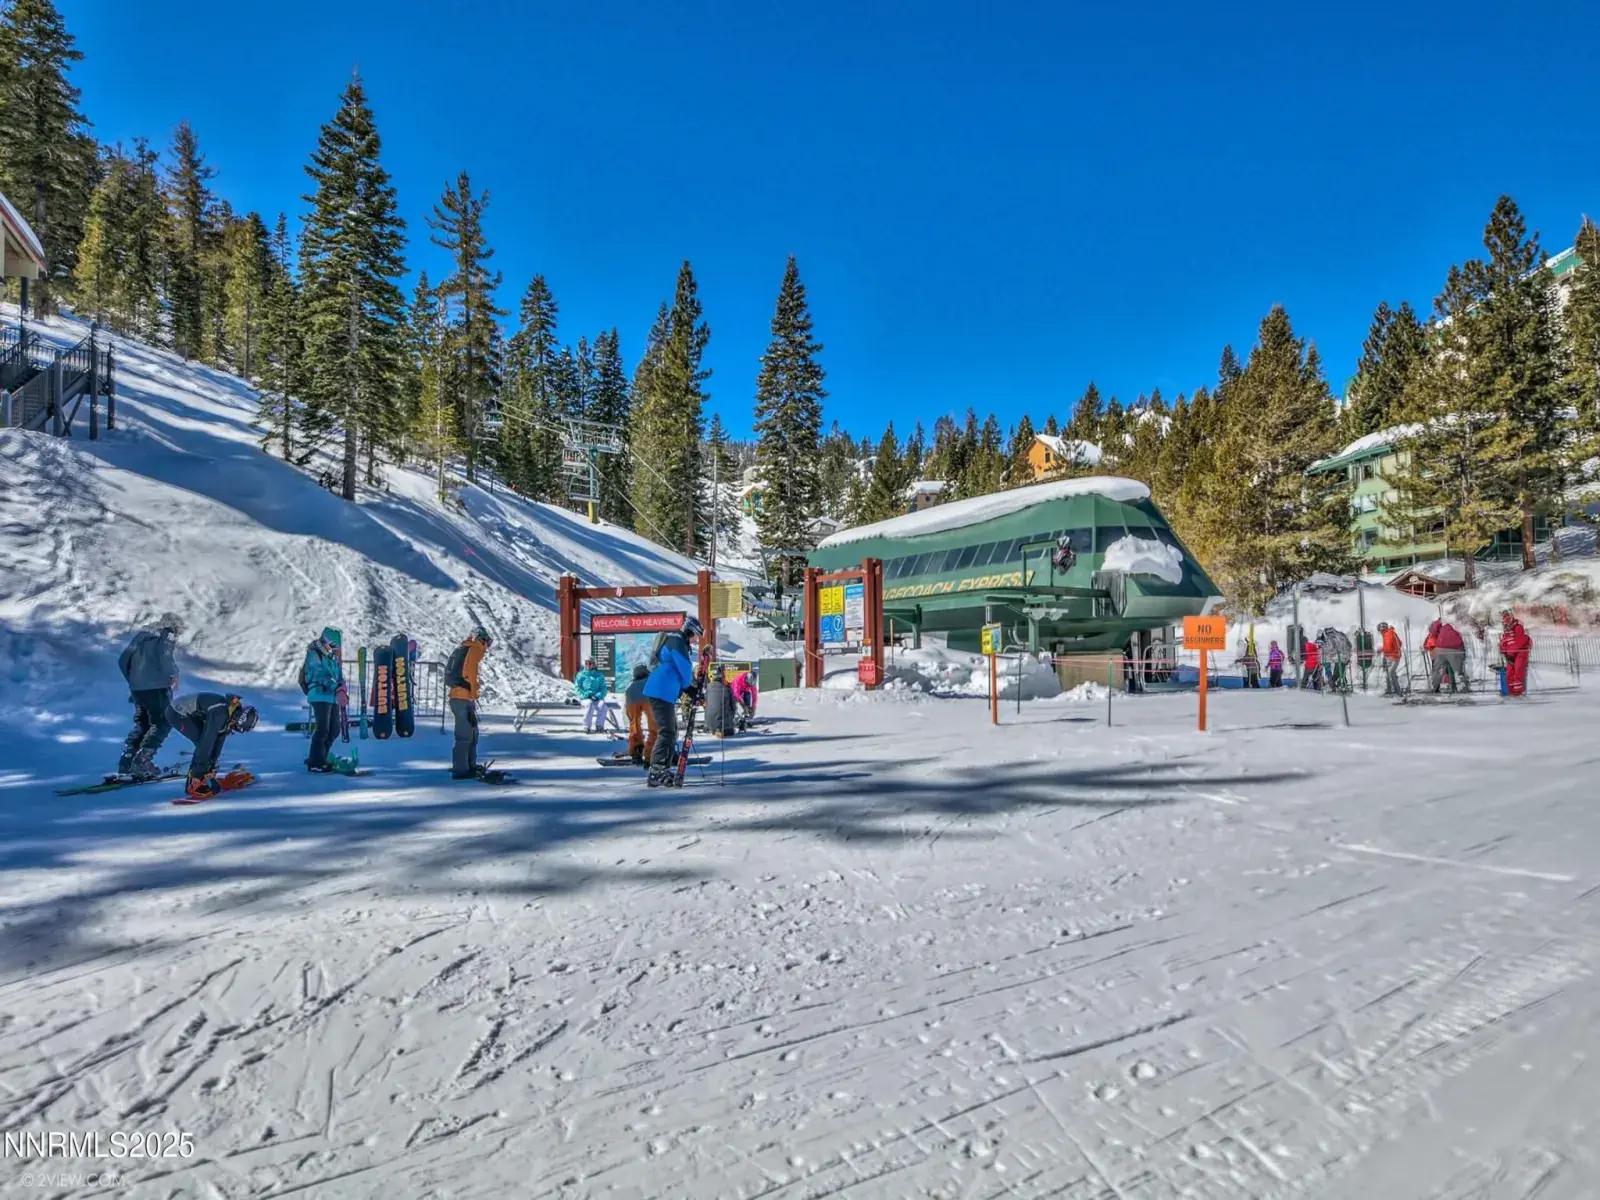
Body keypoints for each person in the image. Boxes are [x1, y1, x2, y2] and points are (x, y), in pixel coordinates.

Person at [116, 612, 182, 780]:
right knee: (163, 722)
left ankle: (126, 761)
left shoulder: (141, 636)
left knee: (143, 723)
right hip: (156, 687)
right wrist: (174, 674)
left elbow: (122, 660)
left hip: (137, 688)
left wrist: (133, 682)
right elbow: (165, 657)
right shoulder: (167, 635)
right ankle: (142, 761)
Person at [643, 614, 703, 787]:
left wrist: (688, 688)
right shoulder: (677, 641)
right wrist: (690, 687)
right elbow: (685, 668)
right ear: (689, 631)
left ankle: (663, 768)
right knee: (667, 731)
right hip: (660, 690)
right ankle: (656, 771)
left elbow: (680, 670)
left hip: (664, 691)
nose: (695, 640)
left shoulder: (677, 641)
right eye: (696, 636)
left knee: (671, 731)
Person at [167, 692, 257, 799]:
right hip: (177, 713)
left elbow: (219, 740)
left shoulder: (230, 713)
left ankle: (200, 776)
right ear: (238, 719)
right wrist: (198, 774)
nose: (233, 729)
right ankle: (193, 782)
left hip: (191, 714)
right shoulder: (220, 713)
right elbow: (206, 743)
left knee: (207, 745)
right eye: (236, 727)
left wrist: (211, 769)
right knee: (202, 743)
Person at [446, 626, 492, 779]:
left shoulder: (467, 648)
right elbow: (471, 673)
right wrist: (474, 693)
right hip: (462, 698)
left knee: (472, 734)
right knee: (464, 736)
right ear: (482, 640)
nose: (487, 647)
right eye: (488, 642)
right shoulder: (474, 649)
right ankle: (461, 770)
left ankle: (469, 765)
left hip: (462, 698)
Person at [301, 627, 344, 772]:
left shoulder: (329, 656)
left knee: (335, 729)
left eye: (336, 646)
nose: (334, 648)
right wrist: (336, 687)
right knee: (323, 729)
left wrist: (341, 685)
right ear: (325, 640)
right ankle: (316, 762)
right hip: (319, 694)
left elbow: (335, 675)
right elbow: (320, 674)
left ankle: (319, 756)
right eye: (332, 645)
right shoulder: (314, 654)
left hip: (330, 695)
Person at [624, 662, 656, 765]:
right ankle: (650, 753)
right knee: (654, 727)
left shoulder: (630, 685)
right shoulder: (650, 680)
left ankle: (636, 750)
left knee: (634, 725)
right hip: (648, 698)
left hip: (631, 698)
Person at [1427, 619, 1468, 693]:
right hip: (1456, 648)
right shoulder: (1459, 619)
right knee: (1459, 671)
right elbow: (1467, 630)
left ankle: (1434, 687)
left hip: (1440, 647)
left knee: (1438, 670)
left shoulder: (1442, 619)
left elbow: (1433, 630)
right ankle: (1463, 687)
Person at [1499, 611, 1531, 697]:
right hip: (1511, 656)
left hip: (1520, 653)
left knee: (1518, 672)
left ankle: (1518, 693)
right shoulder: (1506, 632)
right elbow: (1504, 643)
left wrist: (1510, 653)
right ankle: (1512, 693)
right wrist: (1503, 651)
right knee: (1509, 674)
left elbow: (1520, 642)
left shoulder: (1518, 628)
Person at [574, 657, 610, 733]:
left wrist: (598, 696)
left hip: (596, 697)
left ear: (594, 664)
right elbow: (577, 688)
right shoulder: (580, 675)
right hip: (585, 698)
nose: (588, 665)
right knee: (589, 704)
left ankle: (599, 726)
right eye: (586, 663)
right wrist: (586, 695)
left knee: (602, 705)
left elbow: (603, 689)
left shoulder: (599, 675)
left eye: (590, 663)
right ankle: (586, 726)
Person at [1378, 621, 1404, 696]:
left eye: (1380, 630)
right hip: (1391, 656)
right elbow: (1400, 643)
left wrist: (1380, 650)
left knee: (1390, 674)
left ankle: (1398, 692)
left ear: (1382, 629)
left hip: (1393, 657)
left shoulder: (1388, 634)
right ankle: (1390, 690)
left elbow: (1388, 647)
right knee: (1390, 674)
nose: (1380, 632)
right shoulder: (1389, 633)